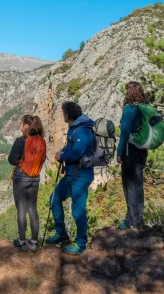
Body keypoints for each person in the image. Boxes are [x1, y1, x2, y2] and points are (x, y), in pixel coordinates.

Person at [46, 101, 94, 255]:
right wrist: (62, 152)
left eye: (63, 113)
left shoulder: (82, 130)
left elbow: (76, 153)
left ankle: (80, 244)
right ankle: (61, 234)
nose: (62, 116)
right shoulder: (74, 129)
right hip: (71, 174)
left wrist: (63, 155)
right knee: (54, 199)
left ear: (67, 115)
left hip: (81, 175)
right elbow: (70, 148)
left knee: (78, 210)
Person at [8, 115, 46, 252]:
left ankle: (23, 242)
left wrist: (20, 161)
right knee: (32, 208)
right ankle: (34, 242)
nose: (19, 125)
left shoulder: (21, 140)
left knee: (21, 209)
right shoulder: (41, 140)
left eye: (21, 123)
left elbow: (11, 160)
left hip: (20, 178)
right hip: (35, 178)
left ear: (25, 126)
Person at [117, 81, 148, 230]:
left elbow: (124, 133)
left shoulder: (130, 109)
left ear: (129, 92)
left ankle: (131, 221)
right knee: (138, 184)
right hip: (142, 149)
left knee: (129, 185)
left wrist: (119, 152)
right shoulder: (145, 106)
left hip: (131, 150)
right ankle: (138, 219)